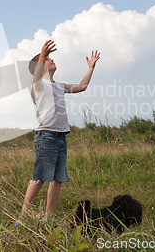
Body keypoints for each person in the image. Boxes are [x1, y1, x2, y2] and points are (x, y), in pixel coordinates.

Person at [17, 40, 100, 224]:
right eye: (47, 59)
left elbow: (81, 87)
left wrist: (91, 68)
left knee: (57, 179)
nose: (50, 59)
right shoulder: (38, 86)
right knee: (39, 178)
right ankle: (22, 218)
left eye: (49, 57)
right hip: (46, 136)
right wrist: (41, 53)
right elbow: (37, 74)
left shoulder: (59, 86)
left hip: (61, 137)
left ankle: (49, 218)